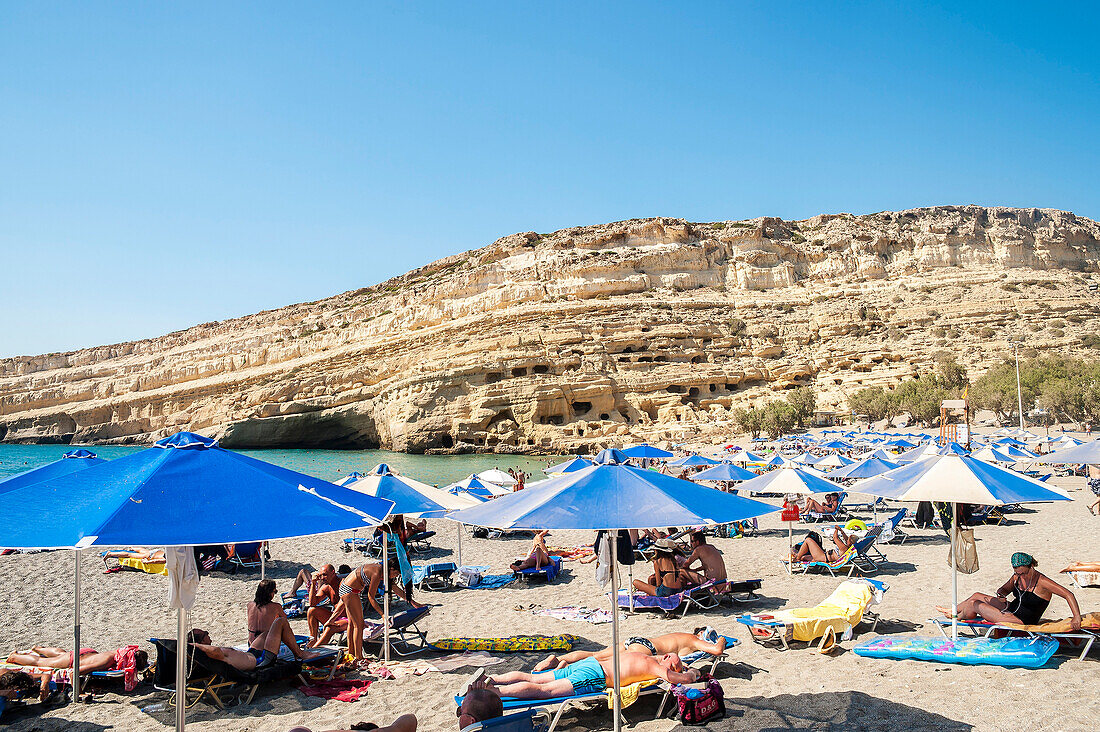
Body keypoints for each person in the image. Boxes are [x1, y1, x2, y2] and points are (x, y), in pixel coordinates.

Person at [942, 552, 1083, 630]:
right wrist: (1001, 595)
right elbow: (1004, 589)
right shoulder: (1017, 576)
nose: (1020, 576)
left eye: (1023, 573)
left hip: (1021, 619)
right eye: (1017, 573)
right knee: (976, 595)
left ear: (1031, 566)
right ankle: (953, 610)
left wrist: (1076, 616)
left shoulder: (1042, 582)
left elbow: (1068, 594)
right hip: (1011, 608)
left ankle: (956, 616)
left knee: (974, 603)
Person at [478, 651, 700, 700]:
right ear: (668, 659)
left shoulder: (642, 653)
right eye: (676, 663)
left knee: (535, 678)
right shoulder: (654, 665)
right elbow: (679, 678)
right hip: (595, 674)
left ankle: (494, 678)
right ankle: (495, 691)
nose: (675, 664)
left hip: (589, 663)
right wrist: (691, 673)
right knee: (544, 691)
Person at [326, 560, 414, 661]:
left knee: (352, 624)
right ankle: (359, 657)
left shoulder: (381, 571)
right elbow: (371, 597)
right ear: (392, 569)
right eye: (396, 574)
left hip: (347, 588)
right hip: (350, 591)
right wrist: (382, 614)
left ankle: (352, 653)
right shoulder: (376, 573)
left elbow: (396, 589)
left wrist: (414, 603)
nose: (395, 576)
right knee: (358, 625)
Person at [533, 631, 726, 671]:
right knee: (603, 663)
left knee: (597, 654)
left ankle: (557, 658)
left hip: (639, 639)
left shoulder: (682, 636)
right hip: (647, 649)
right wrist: (722, 639)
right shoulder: (694, 640)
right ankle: (566, 665)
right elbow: (716, 650)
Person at [191, 617, 321, 671]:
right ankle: (300, 654)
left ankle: (295, 647)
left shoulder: (205, 653)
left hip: (251, 654)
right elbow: (216, 652)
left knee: (267, 632)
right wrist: (193, 645)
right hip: (261, 662)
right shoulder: (211, 653)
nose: (208, 634)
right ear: (201, 642)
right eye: (205, 633)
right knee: (280, 621)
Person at [6, 646, 148, 675]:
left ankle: (39, 648)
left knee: (61, 653)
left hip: (87, 652)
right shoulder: (106, 661)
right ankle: (15, 657)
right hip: (75, 661)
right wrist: (78, 692)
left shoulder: (120, 653)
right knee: (41, 663)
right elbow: (76, 672)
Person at [248, 579, 287, 644]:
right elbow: (284, 621)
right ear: (270, 593)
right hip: (266, 643)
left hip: (251, 642)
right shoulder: (276, 606)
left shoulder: (249, 605)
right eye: (274, 592)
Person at [789, 527, 854, 564]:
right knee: (803, 557)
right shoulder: (849, 547)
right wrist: (841, 531)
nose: (847, 539)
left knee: (808, 540)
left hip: (822, 557)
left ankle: (796, 558)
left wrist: (836, 529)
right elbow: (846, 539)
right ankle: (797, 556)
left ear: (850, 542)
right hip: (824, 556)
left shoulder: (844, 548)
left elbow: (835, 538)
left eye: (848, 539)